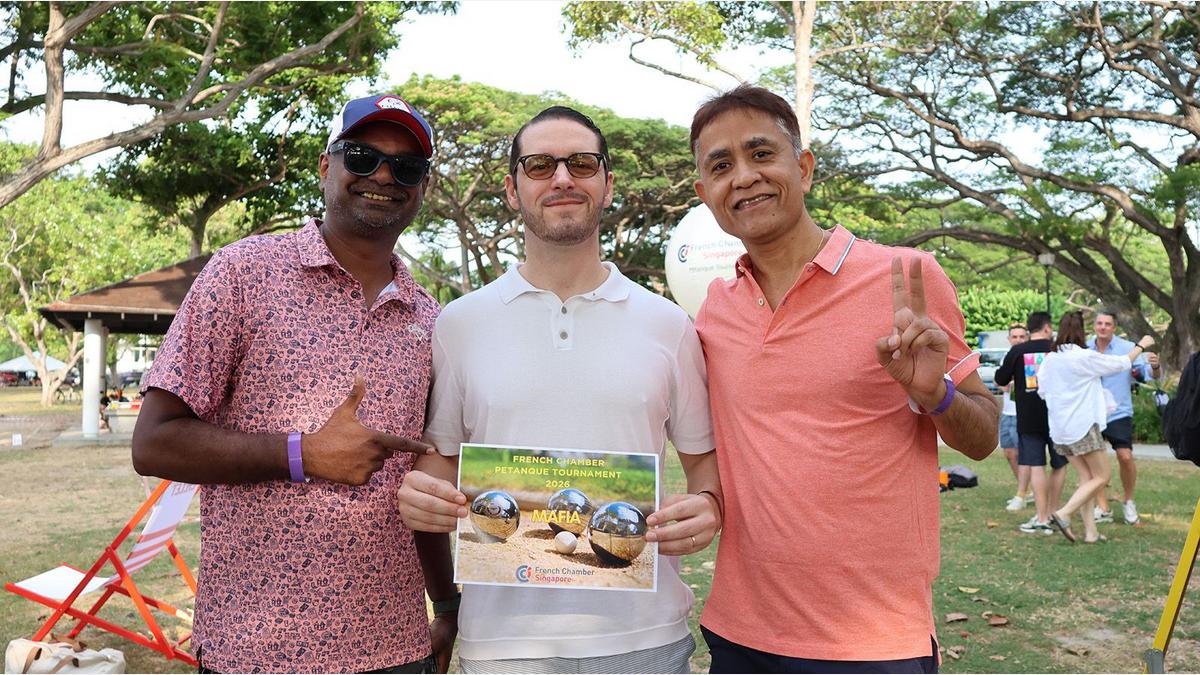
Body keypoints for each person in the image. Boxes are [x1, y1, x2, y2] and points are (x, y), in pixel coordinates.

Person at [131, 94, 457, 673]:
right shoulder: (243, 273)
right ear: (327, 165)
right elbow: (154, 443)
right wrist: (303, 453)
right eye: (362, 157)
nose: (384, 176)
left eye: (406, 167)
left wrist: (448, 603)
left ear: (422, 188)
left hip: (395, 648)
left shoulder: (432, 320)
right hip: (257, 649)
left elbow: (422, 484)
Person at [395, 106, 721, 674]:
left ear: (607, 184)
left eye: (582, 164)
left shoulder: (668, 324)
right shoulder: (460, 324)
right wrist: (422, 493)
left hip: (644, 641)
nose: (563, 178)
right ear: (512, 189)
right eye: (541, 165)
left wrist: (708, 506)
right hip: (501, 647)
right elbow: (441, 459)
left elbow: (702, 461)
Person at [689, 85, 999, 673]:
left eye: (761, 153)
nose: (745, 177)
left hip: (873, 642)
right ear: (706, 194)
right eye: (721, 166)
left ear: (804, 168)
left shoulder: (906, 277)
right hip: (739, 633)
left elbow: (982, 437)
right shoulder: (715, 309)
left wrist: (934, 394)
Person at [1037, 311, 1155, 543]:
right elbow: (1121, 363)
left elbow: (1042, 391)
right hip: (1083, 427)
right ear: (1082, 331)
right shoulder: (1083, 357)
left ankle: (1091, 533)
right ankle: (1064, 512)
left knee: (1087, 477)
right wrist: (1141, 345)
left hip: (1060, 430)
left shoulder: (1050, 360)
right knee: (1102, 476)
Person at [995, 311, 1067, 535]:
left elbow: (1000, 379)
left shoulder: (1018, 351)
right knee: (1059, 465)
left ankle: (1042, 516)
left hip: (1028, 417)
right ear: (1047, 327)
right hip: (1057, 417)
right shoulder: (1058, 350)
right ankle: (1054, 512)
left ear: (1029, 329)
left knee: (1036, 467)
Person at [1089, 310, 1160, 524]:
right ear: (1094, 326)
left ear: (1114, 327)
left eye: (1107, 324)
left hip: (1118, 412)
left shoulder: (1127, 348)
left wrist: (1155, 366)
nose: (1103, 327)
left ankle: (1129, 501)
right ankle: (1102, 507)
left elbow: (1146, 375)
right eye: (1099, 323)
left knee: (1125, 456)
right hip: (1091, 412)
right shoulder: (1085, 348)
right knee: (1093, 461)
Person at [1001, 323, 1032, 511]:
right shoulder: (1007, 357)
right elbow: (1000, 381)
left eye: (1021, 337)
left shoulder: (1030, 357)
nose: (1018, 340)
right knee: (1009, 453)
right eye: (1015, 337)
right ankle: (1026, 490)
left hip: (1022, 413)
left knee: (1023, 454)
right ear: (1009, 339)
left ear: (1027, 338)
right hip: (1007, 411)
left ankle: (1022, 493)